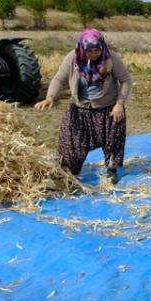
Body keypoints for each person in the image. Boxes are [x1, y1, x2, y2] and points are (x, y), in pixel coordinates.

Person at [34, 28, 133, 184]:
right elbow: (59, 79)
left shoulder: (111, 58)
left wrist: (119, 103)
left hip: (107, 109)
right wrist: (50, 97)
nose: (93, 54)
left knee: (113, 140)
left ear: (102, 47)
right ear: (81, 47)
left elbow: (126, 80)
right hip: (79, 109)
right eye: (89, 50)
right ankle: (68, 173)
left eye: (96, 50)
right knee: (71, 143)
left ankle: (111, 169)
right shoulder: (72, 59)